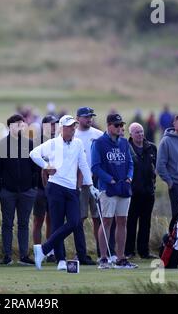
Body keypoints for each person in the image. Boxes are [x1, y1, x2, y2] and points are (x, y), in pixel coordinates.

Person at [31, 115, 96, 270]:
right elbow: (34, 154)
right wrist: (46, 166)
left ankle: (44, 249)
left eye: (74, 126)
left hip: (72, 189)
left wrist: (91, 185)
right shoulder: (52, 143)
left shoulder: (78, 143)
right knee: (57, 223)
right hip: (55, 187)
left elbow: (84, 165)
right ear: (62, 128)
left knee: (74, 221)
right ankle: (61, 260)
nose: (72, 129)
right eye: (69, 127)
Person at [91, 113, 137, 269]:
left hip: (124, 187)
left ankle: (121, 257)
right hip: (108, 188)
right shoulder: (99, 143)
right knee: (107, 222)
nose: (120, 128)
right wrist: (109, 179)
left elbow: (130, 163)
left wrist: (129, 177)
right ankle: (103, 258)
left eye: (121, 125)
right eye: (117, 125)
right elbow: (95, 167)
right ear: (109, 125)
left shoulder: (124, 143)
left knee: (122, 221)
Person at [0, 114, 38, 266]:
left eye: (22, 124)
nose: (20, 126)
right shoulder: (1, 144)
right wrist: (0, 187)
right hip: (8, 191)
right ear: (10, 126)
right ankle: (7, 256)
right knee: (7, 223)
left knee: (24, 223)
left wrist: (33, 185)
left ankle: (24, 255)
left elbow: (35, 167)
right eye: (17, 124)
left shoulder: (30, 144)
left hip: (27, 190)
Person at [75, 107, 104, 265]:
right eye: (86, 117)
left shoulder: (98, 135)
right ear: (78, 118)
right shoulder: (73, 134)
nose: (89, 119)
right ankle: (81, 252)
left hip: (96, 182)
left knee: (97, 217)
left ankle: (102, 252)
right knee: (79, 218)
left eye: (91, 116)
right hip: (79, 183)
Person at [125, 123, 157, 259]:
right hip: (133, 191)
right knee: (130, 222)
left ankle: (144, 251)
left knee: (146, 223)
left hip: (148, 191)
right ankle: (129, 251)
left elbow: (155, 166)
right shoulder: (126, 147)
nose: (140, 134)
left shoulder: (151, 147)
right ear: (131, 134)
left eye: (141, 132)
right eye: (137, 132)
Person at [32, 115, 58, 263]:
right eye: (51, 125)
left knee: (51, 219)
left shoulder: (59, 142)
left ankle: (49, 251)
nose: (54, 127)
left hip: (55, 186)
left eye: (55, 124)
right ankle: (37, 250)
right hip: (39, 188)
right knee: (38, 220)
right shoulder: (37, 142)